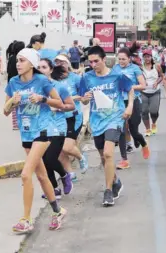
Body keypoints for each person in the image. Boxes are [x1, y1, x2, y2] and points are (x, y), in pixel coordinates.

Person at [3, 48, 67, 233]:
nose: (18, 64)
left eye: (22, 60)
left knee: (26, 174)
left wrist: (42, 98)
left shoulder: (41, 81)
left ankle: (26, 219)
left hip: (43, 131)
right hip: (26, 134)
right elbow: (5, 111)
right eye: (17, 61)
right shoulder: (13, 83)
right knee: (41, 175)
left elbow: (60, 103)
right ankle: (58, 211)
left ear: (31, 63)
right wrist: (12, 102)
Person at [80, 46, 134, 206]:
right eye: (90, 62)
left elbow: (130, 89)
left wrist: (129, 106)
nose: (93, 64)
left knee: (109, 154)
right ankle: (115, 181)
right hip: (97, 121)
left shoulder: (117, 75)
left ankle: (108, 191)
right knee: (104, 157)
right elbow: (83, 99)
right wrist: (85, 98)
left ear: (104, 60)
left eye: (96, 61)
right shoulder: (87, 77)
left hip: (115, 118)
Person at [38, 58, 75, 199]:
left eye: (44, 67)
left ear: (51, 70)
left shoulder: (59, 87)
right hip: (41, 127)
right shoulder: (36, 88)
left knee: (50, 157)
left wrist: (59, 107)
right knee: (44, 159)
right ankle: (54, 189)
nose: (41, 70)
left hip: (58, 127)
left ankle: (65, 175)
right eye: (39, 67)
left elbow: (71, 105)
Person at [113, 47, 150, 170]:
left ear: (129, 59)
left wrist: (129, 87)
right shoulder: (115, 69)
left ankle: (143, 143)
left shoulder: (135, 69)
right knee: (122, 130)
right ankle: (124, 160)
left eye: (124, 59)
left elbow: (143, 86)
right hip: (119, 103)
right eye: (120, 59)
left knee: (134, 130)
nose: (121, 61)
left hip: (133, 101)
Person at [53, 54, 87, 181]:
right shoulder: (52, 80)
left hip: (73, 116)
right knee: (59, 150)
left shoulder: (76, 78)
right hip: (57, 117)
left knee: (66, 147)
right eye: (57, 63)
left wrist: (83, 98)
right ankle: (71, 174)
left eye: (62, 62)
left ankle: (81, 157)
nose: (60, 65)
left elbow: (83, 98)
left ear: (68, 64)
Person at [141, 49, 163, 136]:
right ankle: (147, 129)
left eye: (148, 57)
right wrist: (142, 82)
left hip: (155, 92)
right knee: (144, 111)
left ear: (151, 57)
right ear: (143, 58)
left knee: (154, 111)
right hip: (143, 92)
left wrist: (156, 82)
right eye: (145, 57)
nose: (147, 59)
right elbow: (137, 77)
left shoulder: (157, 66)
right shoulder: (140, 67)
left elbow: (161, 76)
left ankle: (154, 123)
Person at [7, 41, 25, 130]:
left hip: (12, 83)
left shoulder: (11, 58)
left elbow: (8, 71)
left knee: (14, 102)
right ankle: (22, 122)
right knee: (23, 102)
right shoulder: (23, 59)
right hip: (21, 82)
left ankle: (15, 124)